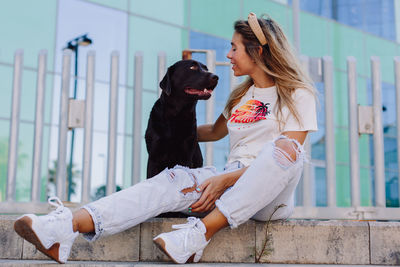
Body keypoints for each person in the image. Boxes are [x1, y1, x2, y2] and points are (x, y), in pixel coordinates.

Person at [14, 12, 317, 264]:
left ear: (257, 51)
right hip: (229, 180)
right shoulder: (240, 97)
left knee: (285, 147)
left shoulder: (297, 94)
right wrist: (164, 130)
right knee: (172, 178)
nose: (228, 55)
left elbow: (288, 156)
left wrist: (226, 180)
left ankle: (199, 234)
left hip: (271, 193)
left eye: (234, 48)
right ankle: (65, 227)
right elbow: (212, 132)